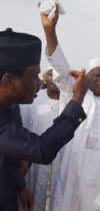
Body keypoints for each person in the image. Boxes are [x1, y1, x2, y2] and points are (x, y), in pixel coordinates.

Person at [41, 5, 100, 211]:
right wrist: (50, 31)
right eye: (97, 75)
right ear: (86, 76)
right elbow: (59, 64)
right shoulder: (76, 91)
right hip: (79, 172)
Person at [0, 28, 87, 211]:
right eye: (34, 76)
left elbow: (8, 158)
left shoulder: (11, 106)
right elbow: (41, 149)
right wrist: (77, 99)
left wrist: (20, 186)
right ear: (10, 81)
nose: (40, 83)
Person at [20, 68, 60, 211]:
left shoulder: (70, 99)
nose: (54, 78)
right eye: (50, 74)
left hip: (62, 162)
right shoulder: (34, 97)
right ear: (44, 77)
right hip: (35, 160)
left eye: (57, 75)